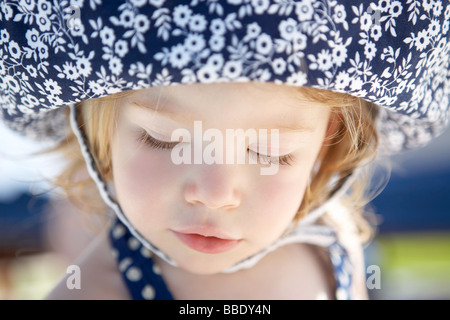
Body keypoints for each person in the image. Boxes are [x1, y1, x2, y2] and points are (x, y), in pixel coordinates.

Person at [0, 0, 448, 300]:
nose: (215, 193)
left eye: (272, 152)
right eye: (165, 140)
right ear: (100, 136)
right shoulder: (94, 291)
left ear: (324, 144)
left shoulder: (333, 243)